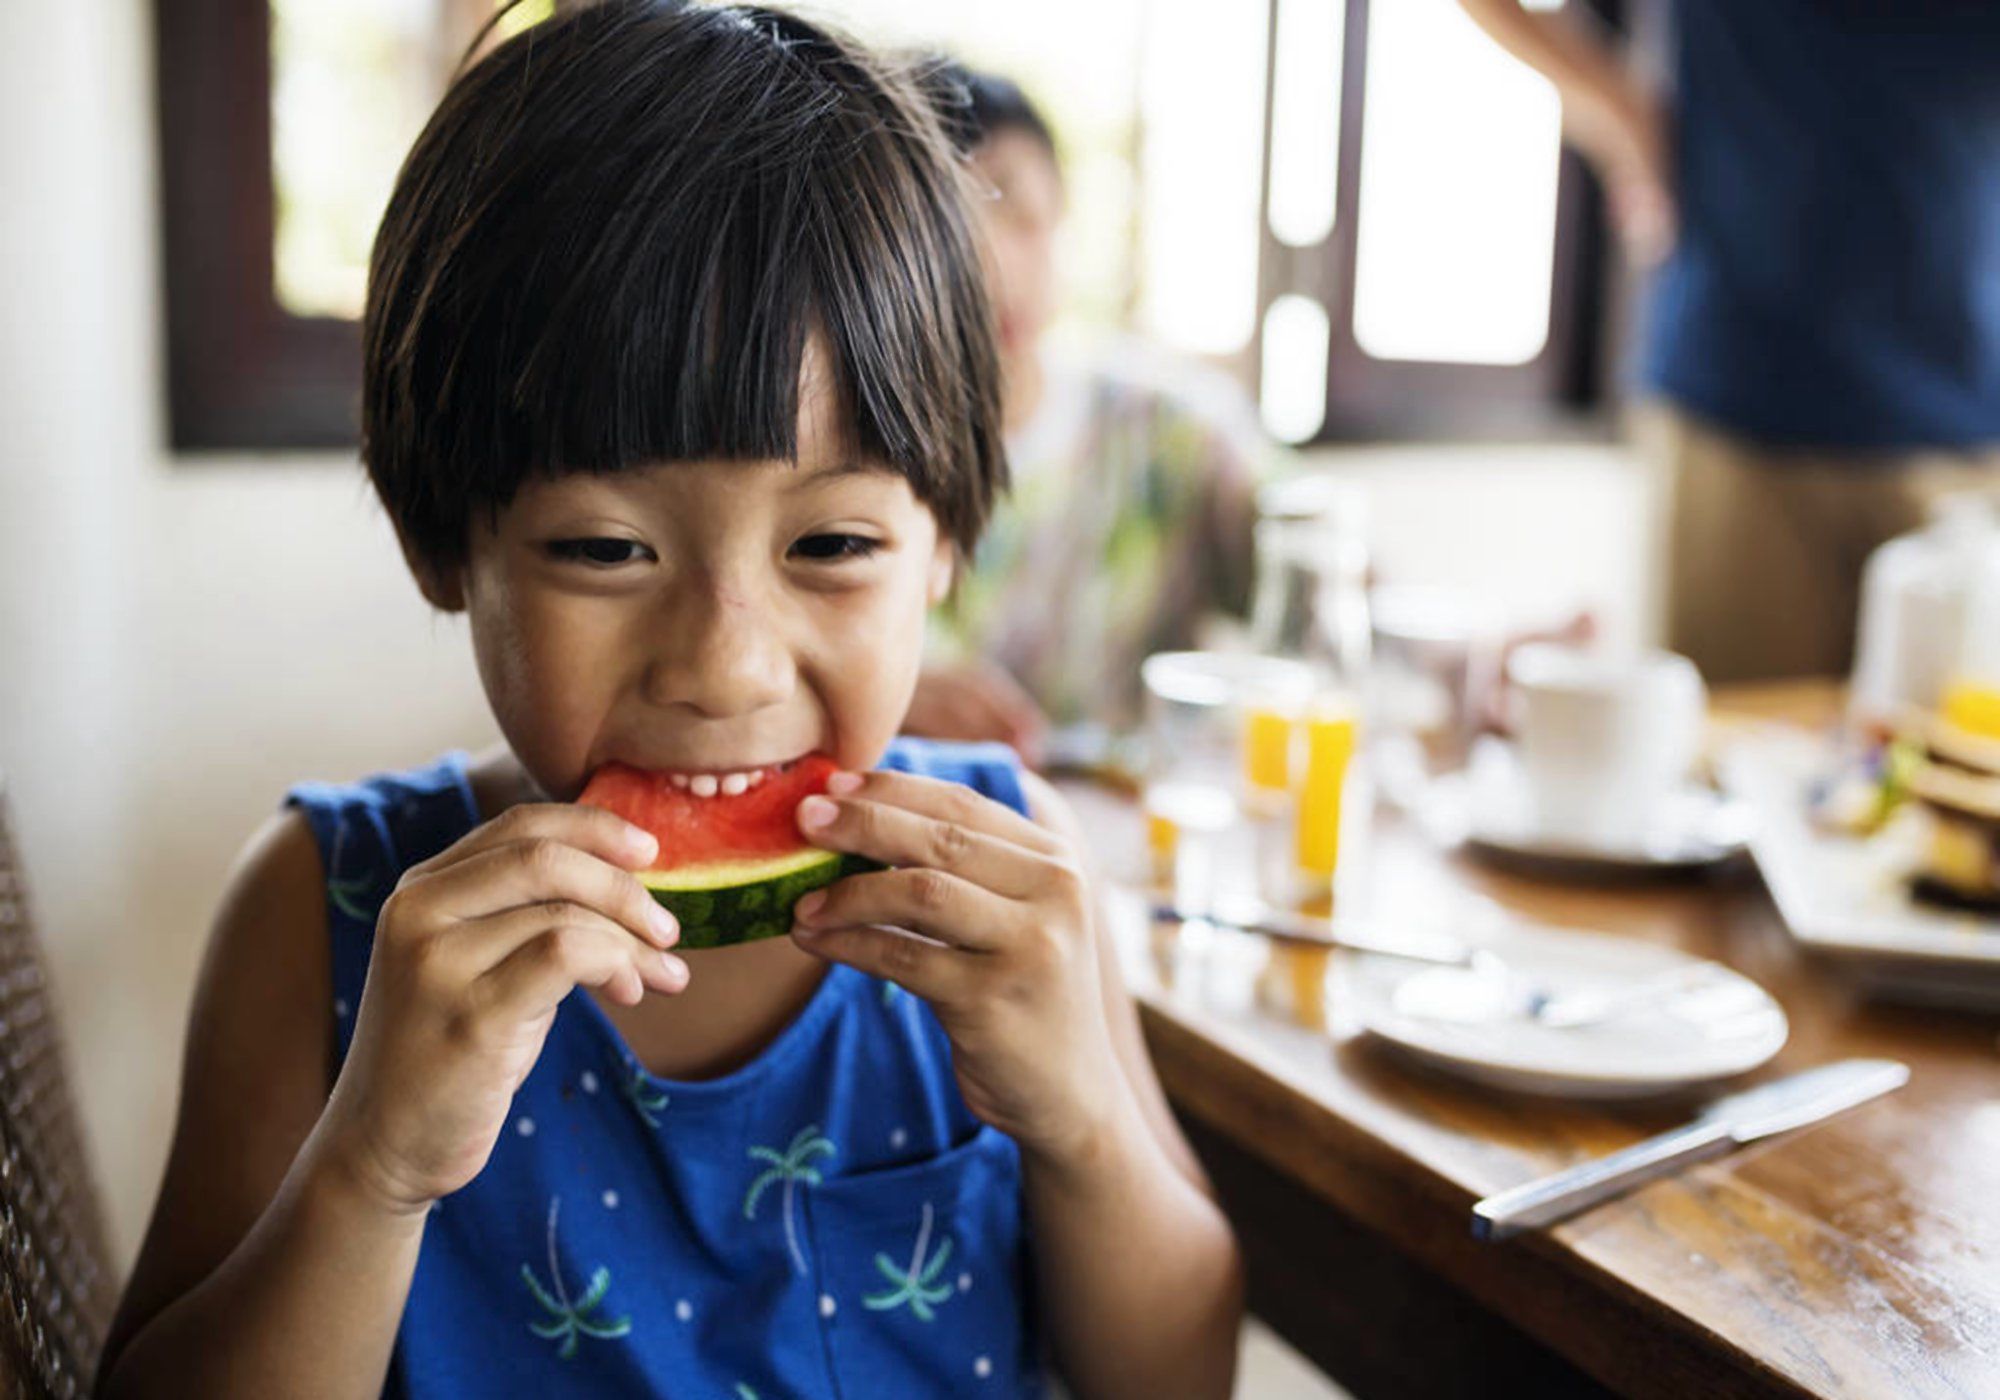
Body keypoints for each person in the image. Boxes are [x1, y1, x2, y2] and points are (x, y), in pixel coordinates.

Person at [94, 6, 1243, 1396]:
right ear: (443, 544)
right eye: (605, 549)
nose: (726, 664)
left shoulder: (1010, 880)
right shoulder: (327, 910)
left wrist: (1082, 1128)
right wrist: (376, 1169)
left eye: (830, 546)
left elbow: (1178, 1375)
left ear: (944, 541)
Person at [1458, 0, 2000, 684]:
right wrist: (1619, 109)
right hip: (1743, 418)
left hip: (1972, 438)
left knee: (1955, 776)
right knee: (1728, 769)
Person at [903, 63, 1270, 753]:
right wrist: (888, 683)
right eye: (950, 220)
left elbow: (1313, 565)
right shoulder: (853, 449)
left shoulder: (1169, 429)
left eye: (1019, 213)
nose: (993, 264)